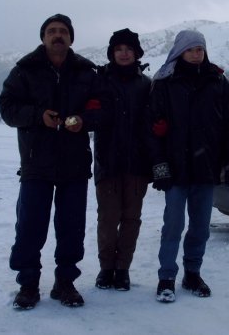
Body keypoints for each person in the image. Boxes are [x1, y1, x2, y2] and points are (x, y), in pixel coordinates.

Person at [0, 13, 103, 310]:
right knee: (30, 226)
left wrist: (83, 121)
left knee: (72, 227)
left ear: (71, 38)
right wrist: (37, 116)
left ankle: (65, 283)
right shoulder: (25, 70)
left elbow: (101, 109)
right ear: (43, 37)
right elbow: (7, 106)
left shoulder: (86, 72)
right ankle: (28, 284)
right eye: (52, 31)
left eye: (63, 31)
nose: (58, 35)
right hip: (36, 162)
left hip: (74, 163)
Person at [148, 29, 229, 303]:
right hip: (175, 168)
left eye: (200, 49)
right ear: (180, 51)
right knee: (173, 226)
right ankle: (166, 277)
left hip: (206, 167)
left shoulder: (218, 81)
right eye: (190, 49)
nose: (196, 54)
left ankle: (192, 273)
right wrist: (159, 165)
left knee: (200, 227)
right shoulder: (165, 82)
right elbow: (152, 128)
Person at [93, 29, 152, 291]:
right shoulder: (99, 81)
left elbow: (153, 123)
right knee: (107, 218)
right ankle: (106, 268)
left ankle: (123, 269)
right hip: (107, 161)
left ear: (136, 53)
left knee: (131, 218)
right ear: (111, 53)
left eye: (129, 49)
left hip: (138, 163)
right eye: (119, 49)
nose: (124, 53)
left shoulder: (146, 84)